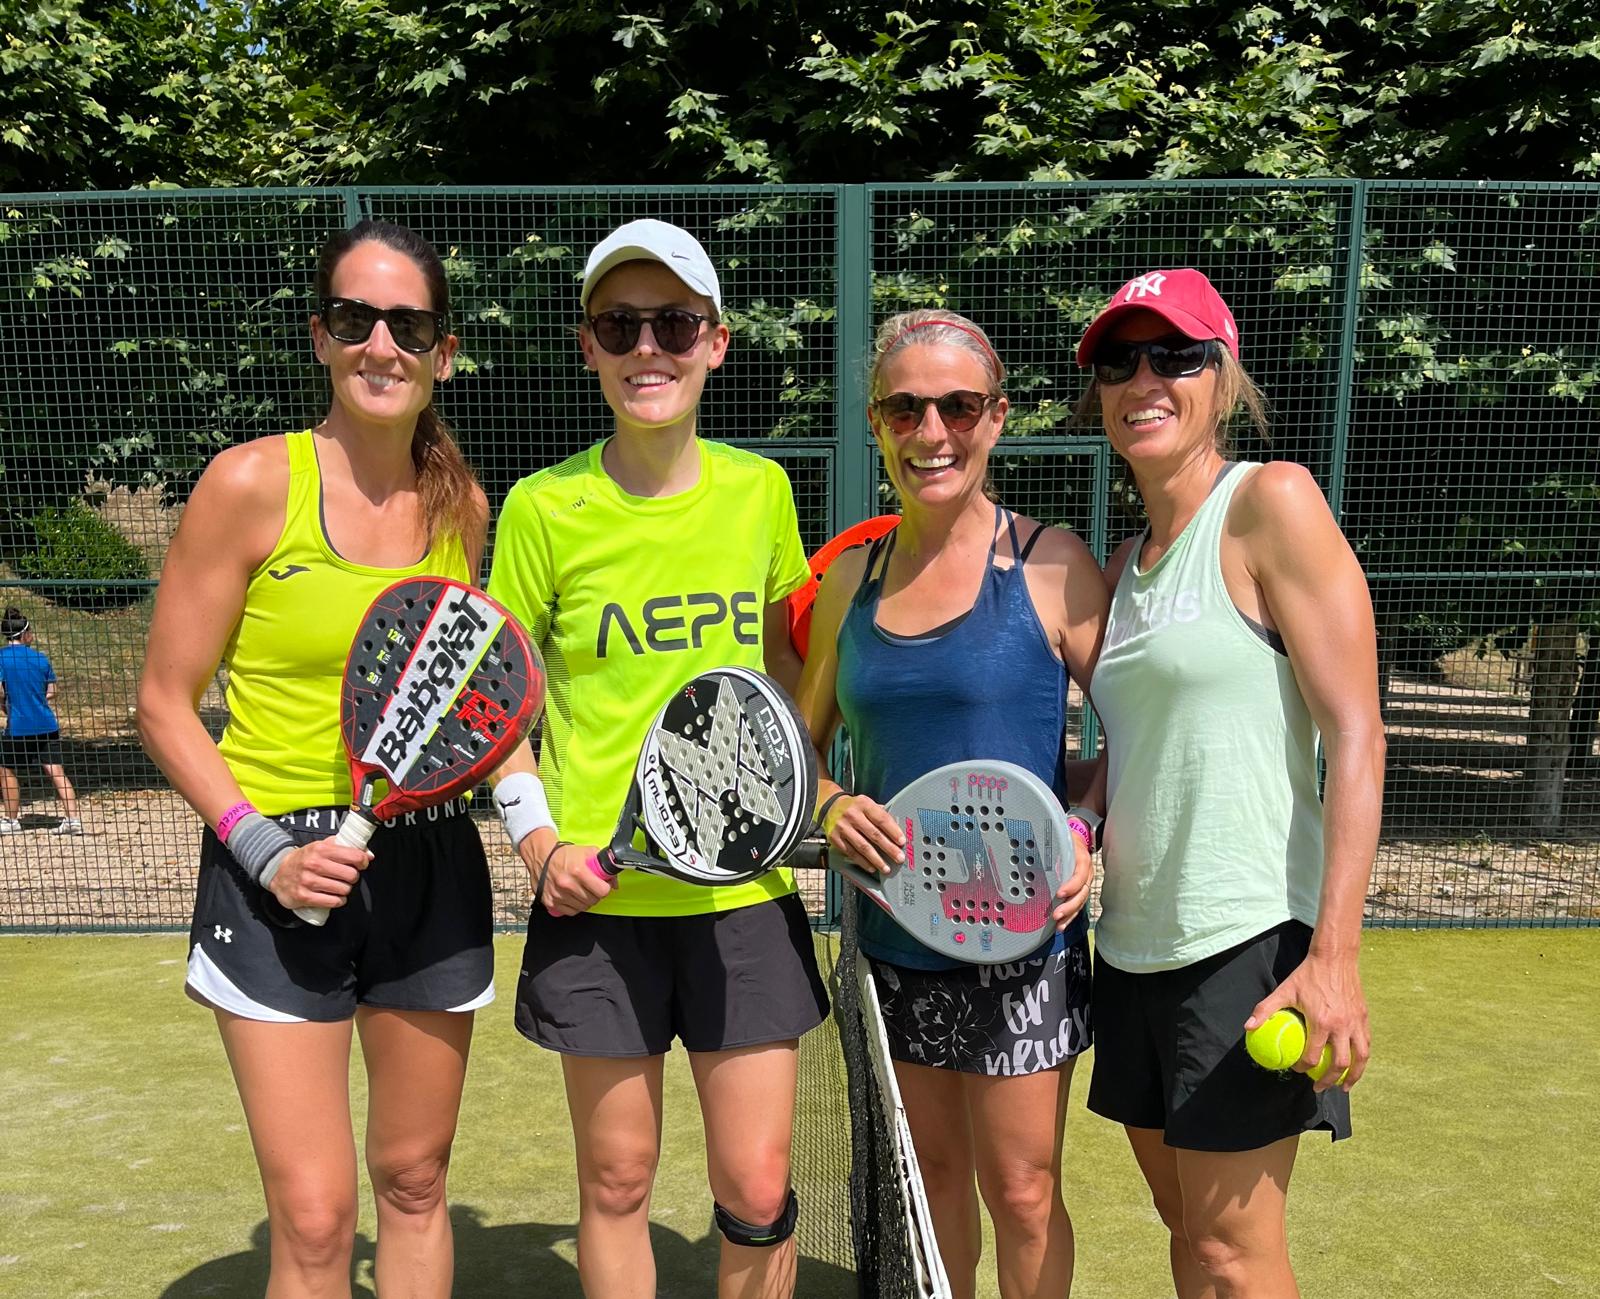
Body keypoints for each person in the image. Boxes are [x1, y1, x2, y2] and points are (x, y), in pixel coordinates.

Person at [136, 220, 491, 1299]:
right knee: (317, 1217)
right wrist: (261, 851)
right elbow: (162, 703)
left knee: (417, 1181)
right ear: (322, 338)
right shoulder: (248, 483)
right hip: (275, 871)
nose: (381, 343)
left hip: (428, 867)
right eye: (355, 319)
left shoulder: (462, 509)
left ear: (443, 350)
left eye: (408, 323)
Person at [483, 219, 828, 1299]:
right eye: (619, 325)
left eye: (673, 323)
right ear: (588, 346)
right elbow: (500, 712)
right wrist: (540, 846)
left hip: (743, 899)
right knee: (618, 1181)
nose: (648, 348)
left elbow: (781, 687)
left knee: (757, 1188)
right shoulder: (543, 508)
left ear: (715, 343)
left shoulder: (760, 493)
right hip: (600, 902)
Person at [1076, 268, 1384, 1297]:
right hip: (1131, 951)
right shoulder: (1122, 566)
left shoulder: (1270, 504)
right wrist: (1057, 810)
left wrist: (1332, 956)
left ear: (1223, 375)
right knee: (1184, 1231)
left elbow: (1357, 731)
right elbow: (1135, 758)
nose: (1143, 377)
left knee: (1232, 1254)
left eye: (1175, 355)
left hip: (1245, 941)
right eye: (1119, 361)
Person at [792, 309, 1107, 1299]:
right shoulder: (849, 577)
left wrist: (1087, 833)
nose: (934, 432)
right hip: (895, 943)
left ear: (998, 417)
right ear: (878, 423)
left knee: (1021, 1191)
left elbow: (1137, 745)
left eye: (959, 406)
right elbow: (799, 751)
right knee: (928, 1190)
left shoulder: (1053, 565)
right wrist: (835, 803)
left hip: (1027, 948)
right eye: (905, 408)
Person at [0, 605, 81, 834]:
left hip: (19, 725)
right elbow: (52, 691)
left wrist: (6, 704)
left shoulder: (2, 658)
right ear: (24, 634)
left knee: (5, 769)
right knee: (56, 770)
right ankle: (73, 820)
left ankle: (11, 820)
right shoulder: (40, 658)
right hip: (46, 723)